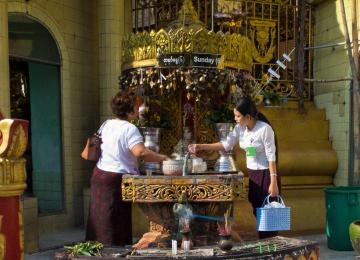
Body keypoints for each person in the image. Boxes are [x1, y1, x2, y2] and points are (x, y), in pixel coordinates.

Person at [188, 97, 280, 239]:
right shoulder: (240, 129)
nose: (235, 119)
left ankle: (271, 250)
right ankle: (265, 249)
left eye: (238, 116)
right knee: (258, 212)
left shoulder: (264, 129)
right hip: (253, 175)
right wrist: (201, 146)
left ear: (248, 117)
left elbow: (271, 156)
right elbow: (226, 144)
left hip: (266, 174)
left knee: (269, 215)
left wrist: (273, 182)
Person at [86, 91, 170, 246]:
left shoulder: (106, 124)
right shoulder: (129, 129)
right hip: (115, 180)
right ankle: (112, 253)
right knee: (114, 220)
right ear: (130, 109)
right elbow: (141, 152)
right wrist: (163, 158)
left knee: (100, 219)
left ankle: (96, 252)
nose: (139, 110)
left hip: (99, 175)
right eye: (137, 107)